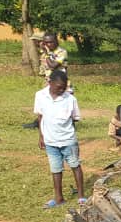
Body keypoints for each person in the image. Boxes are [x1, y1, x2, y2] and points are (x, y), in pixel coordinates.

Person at [35, 70, 84, 209]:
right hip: (50, 141)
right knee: (56, 169)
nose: (62, 90)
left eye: (64, 87)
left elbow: (74, 119)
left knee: (75, 165)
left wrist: (71, 137)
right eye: (59, 87)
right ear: (49, 83)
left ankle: (81, 196)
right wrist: (41, 136)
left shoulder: (70, 99)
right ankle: (58, 198)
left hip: (68, 140)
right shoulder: (40, 96)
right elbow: (40, 117)